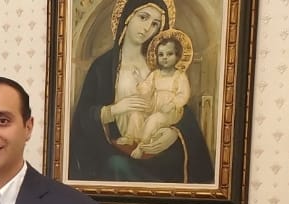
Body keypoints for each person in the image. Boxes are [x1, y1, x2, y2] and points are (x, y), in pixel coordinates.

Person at [68, 0, 213, 183]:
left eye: (155, 24)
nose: (147, 28)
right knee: (116, 165)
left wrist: (174, 133)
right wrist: (114, 110)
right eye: (143, 17)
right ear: (127, 17)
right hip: (117, 150)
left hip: (160, 150)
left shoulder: (161, 65)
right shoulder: (102, 67)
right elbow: (83, 117)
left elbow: (180, 106)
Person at [131, 31, 193, 159]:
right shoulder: (155, 74)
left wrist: (172, 104)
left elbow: (183, 95)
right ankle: (131, 138)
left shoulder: (180, 76)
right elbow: (146, 89)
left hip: (170, 112)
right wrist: (138, 79)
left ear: (177, 56)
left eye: (169, 54)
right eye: (161, 54)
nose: (164, 57)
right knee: (136, 114)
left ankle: (141, 146)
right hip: (154, 106)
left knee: (155, 119)